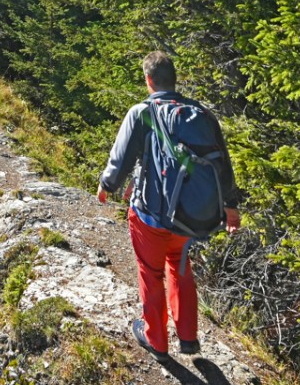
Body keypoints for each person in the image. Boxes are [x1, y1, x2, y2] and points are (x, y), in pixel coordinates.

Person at [97, 50, 241, 358]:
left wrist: (107, 185)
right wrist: (231, 206)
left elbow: (120, 158)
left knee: (151, 272)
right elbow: (223, 164)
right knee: (180, 266)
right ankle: (188, 337)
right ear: (173, 80)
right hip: (187, 216)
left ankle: (157, 341)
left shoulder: (142, 112)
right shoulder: (200, 113)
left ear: (148, 80)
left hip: (151, 215)